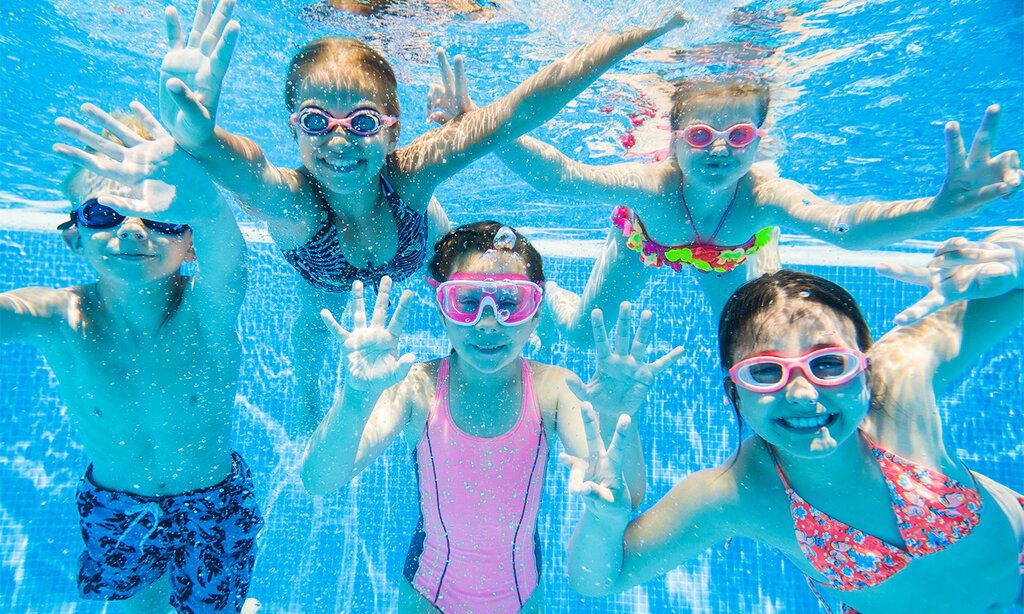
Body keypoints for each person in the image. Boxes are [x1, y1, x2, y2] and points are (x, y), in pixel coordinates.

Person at [156, 0, 686, 428]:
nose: (339, 140)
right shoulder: (296, 204)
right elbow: (244, 167)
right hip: (325, 270)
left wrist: (623, 40)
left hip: (418, 238)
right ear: (293, 129)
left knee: (473, 280)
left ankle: (531, 317)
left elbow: (520, 108)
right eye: (317, 122)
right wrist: (198, 133)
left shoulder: (409, 175)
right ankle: (306, 398)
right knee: (312, 327)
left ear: (393, 130)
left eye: (362, 122)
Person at [559, 228, 1024, 612]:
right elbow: (599, 580)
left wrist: (1015, 256)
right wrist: (604, 519)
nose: (803, 394)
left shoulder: (902, 378)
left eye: (827, 364)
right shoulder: (738, 493)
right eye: (765, 372)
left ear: (864, 364)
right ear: (734, 392)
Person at [428, 61, 1024, 346]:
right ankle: (551, 296)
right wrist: (478, 123)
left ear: (758, 141)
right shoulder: (653, 188)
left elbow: (842, 227)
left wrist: (940, 209)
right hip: (647, 243)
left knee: (757, 339)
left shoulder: (762, 195)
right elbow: (560, 178)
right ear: (674, 138)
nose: (718, 150)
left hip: (735, 255)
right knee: (584, 335)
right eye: (700, 136)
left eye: (738, 137)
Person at [300, 222, 683, 611]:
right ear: (442, 311)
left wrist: (615, 415)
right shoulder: (416, 388)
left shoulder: (555, 389)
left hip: (522, 598)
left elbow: (622, 490)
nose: (488, 322)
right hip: (426, 597)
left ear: (535, 316)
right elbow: (319, 479)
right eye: (466, 301)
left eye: (510, 302)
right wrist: (356, 398)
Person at [0, 102, 262, 613]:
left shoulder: (209, 308)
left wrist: (200, 195)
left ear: (190, 243)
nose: (135, 229)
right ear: (75, 234)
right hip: (116, 506)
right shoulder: (59, 317)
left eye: (162, 218)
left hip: (212, 499)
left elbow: (228, 248)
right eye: (104, 213)